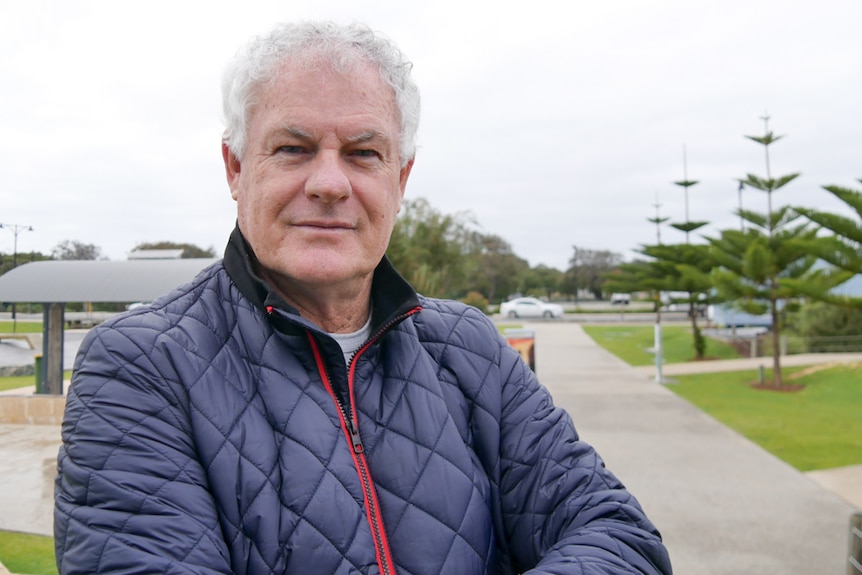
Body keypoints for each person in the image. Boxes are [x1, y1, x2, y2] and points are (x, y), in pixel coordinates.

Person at [54, 21, 673, 575]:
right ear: (235, 168)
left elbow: (618, 535)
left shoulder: (469, 349)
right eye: (294, 148)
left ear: (399, 180)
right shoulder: (141, 365)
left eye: (363, 153)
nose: (329, 183)